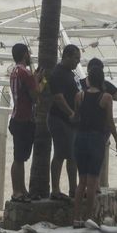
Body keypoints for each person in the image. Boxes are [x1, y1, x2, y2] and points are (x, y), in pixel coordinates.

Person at [72, 58, 116, 225]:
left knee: (81, 182)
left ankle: (76, 218)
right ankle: (88, 218)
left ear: (89, 79)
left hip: (80, 140)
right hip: (96, 140)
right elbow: (110, 122)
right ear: (102, 79)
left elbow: (76, 118)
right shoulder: (106, 98)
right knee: (92, 184)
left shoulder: (79, 96)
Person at [45, 43, 80, 201]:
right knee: (60, 154)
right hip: (59, 118)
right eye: (75, 58)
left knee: (72, 155)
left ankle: (74, 189)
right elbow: (58, 98)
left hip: (70, 121)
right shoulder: (57, 73)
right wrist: (71, 112)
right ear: (66, 56)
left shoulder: (70, 73)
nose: (77, 62)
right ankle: (56, 190)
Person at [7, 43, 40, 202]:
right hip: (24, 119)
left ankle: (21, 190)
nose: (30, 56)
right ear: (24, 54)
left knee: (19, 157)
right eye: (29, 53)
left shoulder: (14, 71)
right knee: (19, 158)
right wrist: (41, 81)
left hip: (16, 117)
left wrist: (35, 79)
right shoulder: (26, 73)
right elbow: (35, 95)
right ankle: (17, 192)